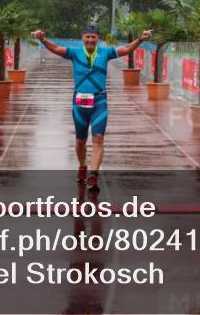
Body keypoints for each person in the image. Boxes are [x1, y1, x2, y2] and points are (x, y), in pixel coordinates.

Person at [33, 25, 151, 191]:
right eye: (87, 37)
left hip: (99, 102)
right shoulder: (75, 53)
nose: (90, 40)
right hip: (79, 103)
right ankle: (83, 165)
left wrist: (140, 40)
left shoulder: (106, 52)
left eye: (93, 37)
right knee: (80, 140)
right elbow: (56, 49)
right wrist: (43, 39)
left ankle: (94, 175)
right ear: (82, 38)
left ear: (98, 38)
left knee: (98, 138)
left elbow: (125, 49)